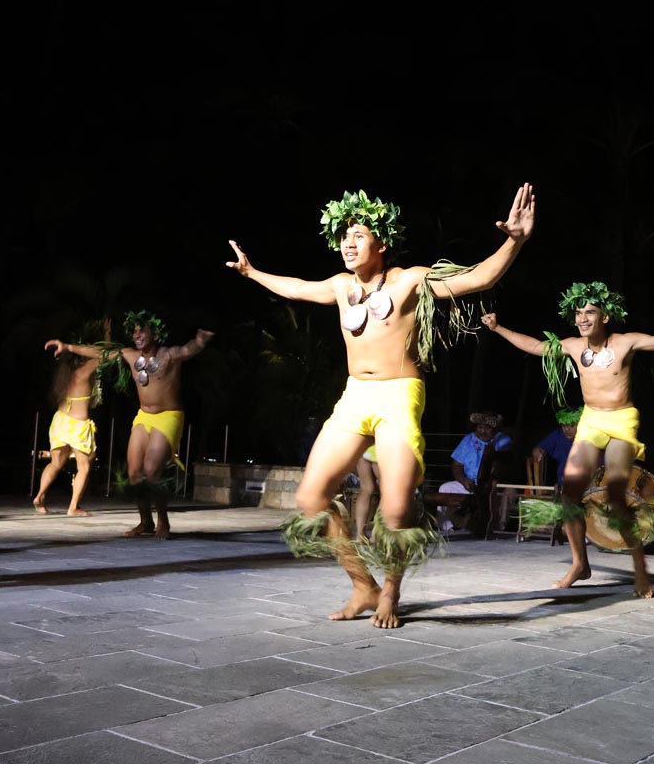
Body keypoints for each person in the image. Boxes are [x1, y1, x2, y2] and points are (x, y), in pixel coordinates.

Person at [227, 184, 537, 628]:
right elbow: (296, 288)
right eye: (343, 236)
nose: (348, 243)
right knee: (311, 498)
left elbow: (477, 279)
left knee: (394, 509)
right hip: (355, 396)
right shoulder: (339, 286)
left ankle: (390, 591)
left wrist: (515, 240)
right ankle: (362, 586)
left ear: (382, 243)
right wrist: (252, 272)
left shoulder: (409, 280)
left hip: (398, 395)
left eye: (358, 234)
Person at [482, 280, 654, 598]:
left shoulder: (625, 343)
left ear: (605, 317)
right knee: (569, 493)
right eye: (579, 313)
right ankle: (579, 564)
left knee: (614, 494)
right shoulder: (572, 346)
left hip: (622, 421)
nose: (583, 318)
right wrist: (498, 327)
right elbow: (535, 347)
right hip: (591, 420)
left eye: (591, 312)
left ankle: (641, 570)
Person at [50, 311, 213, 539]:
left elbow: (189, 348)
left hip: (169, 416)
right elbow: (100, 352)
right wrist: (68, 347)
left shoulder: (169, 355)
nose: (136, 335)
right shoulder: (130, 355)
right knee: (135, 473)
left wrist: (201, 340)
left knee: (152, 470)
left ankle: (163, 522)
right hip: (143, 416)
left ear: (155, 333)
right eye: (134, 331)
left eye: (142, 330)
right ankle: (145, 522)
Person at [33, 332, 104, 517]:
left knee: (56, 463)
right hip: (77, 426)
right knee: (84, 467)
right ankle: (73, 507)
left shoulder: (64, 377)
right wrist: (106, 335)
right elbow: (103, 353)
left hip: (60, 420)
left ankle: (39, 497)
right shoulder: (83, 372)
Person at [531, 406, 581, 494]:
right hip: (562, 486)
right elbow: (539, 448)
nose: (567, 429)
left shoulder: (588, 439)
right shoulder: (558, 435)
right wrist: (538, 451)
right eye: (564, 425)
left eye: (571, 425)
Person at [352, 446, 380, 540]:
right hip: (381, 447)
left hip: (364, 448)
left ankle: (359, 535)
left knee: (366, 489)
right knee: (386, 492)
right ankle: (375, 535)